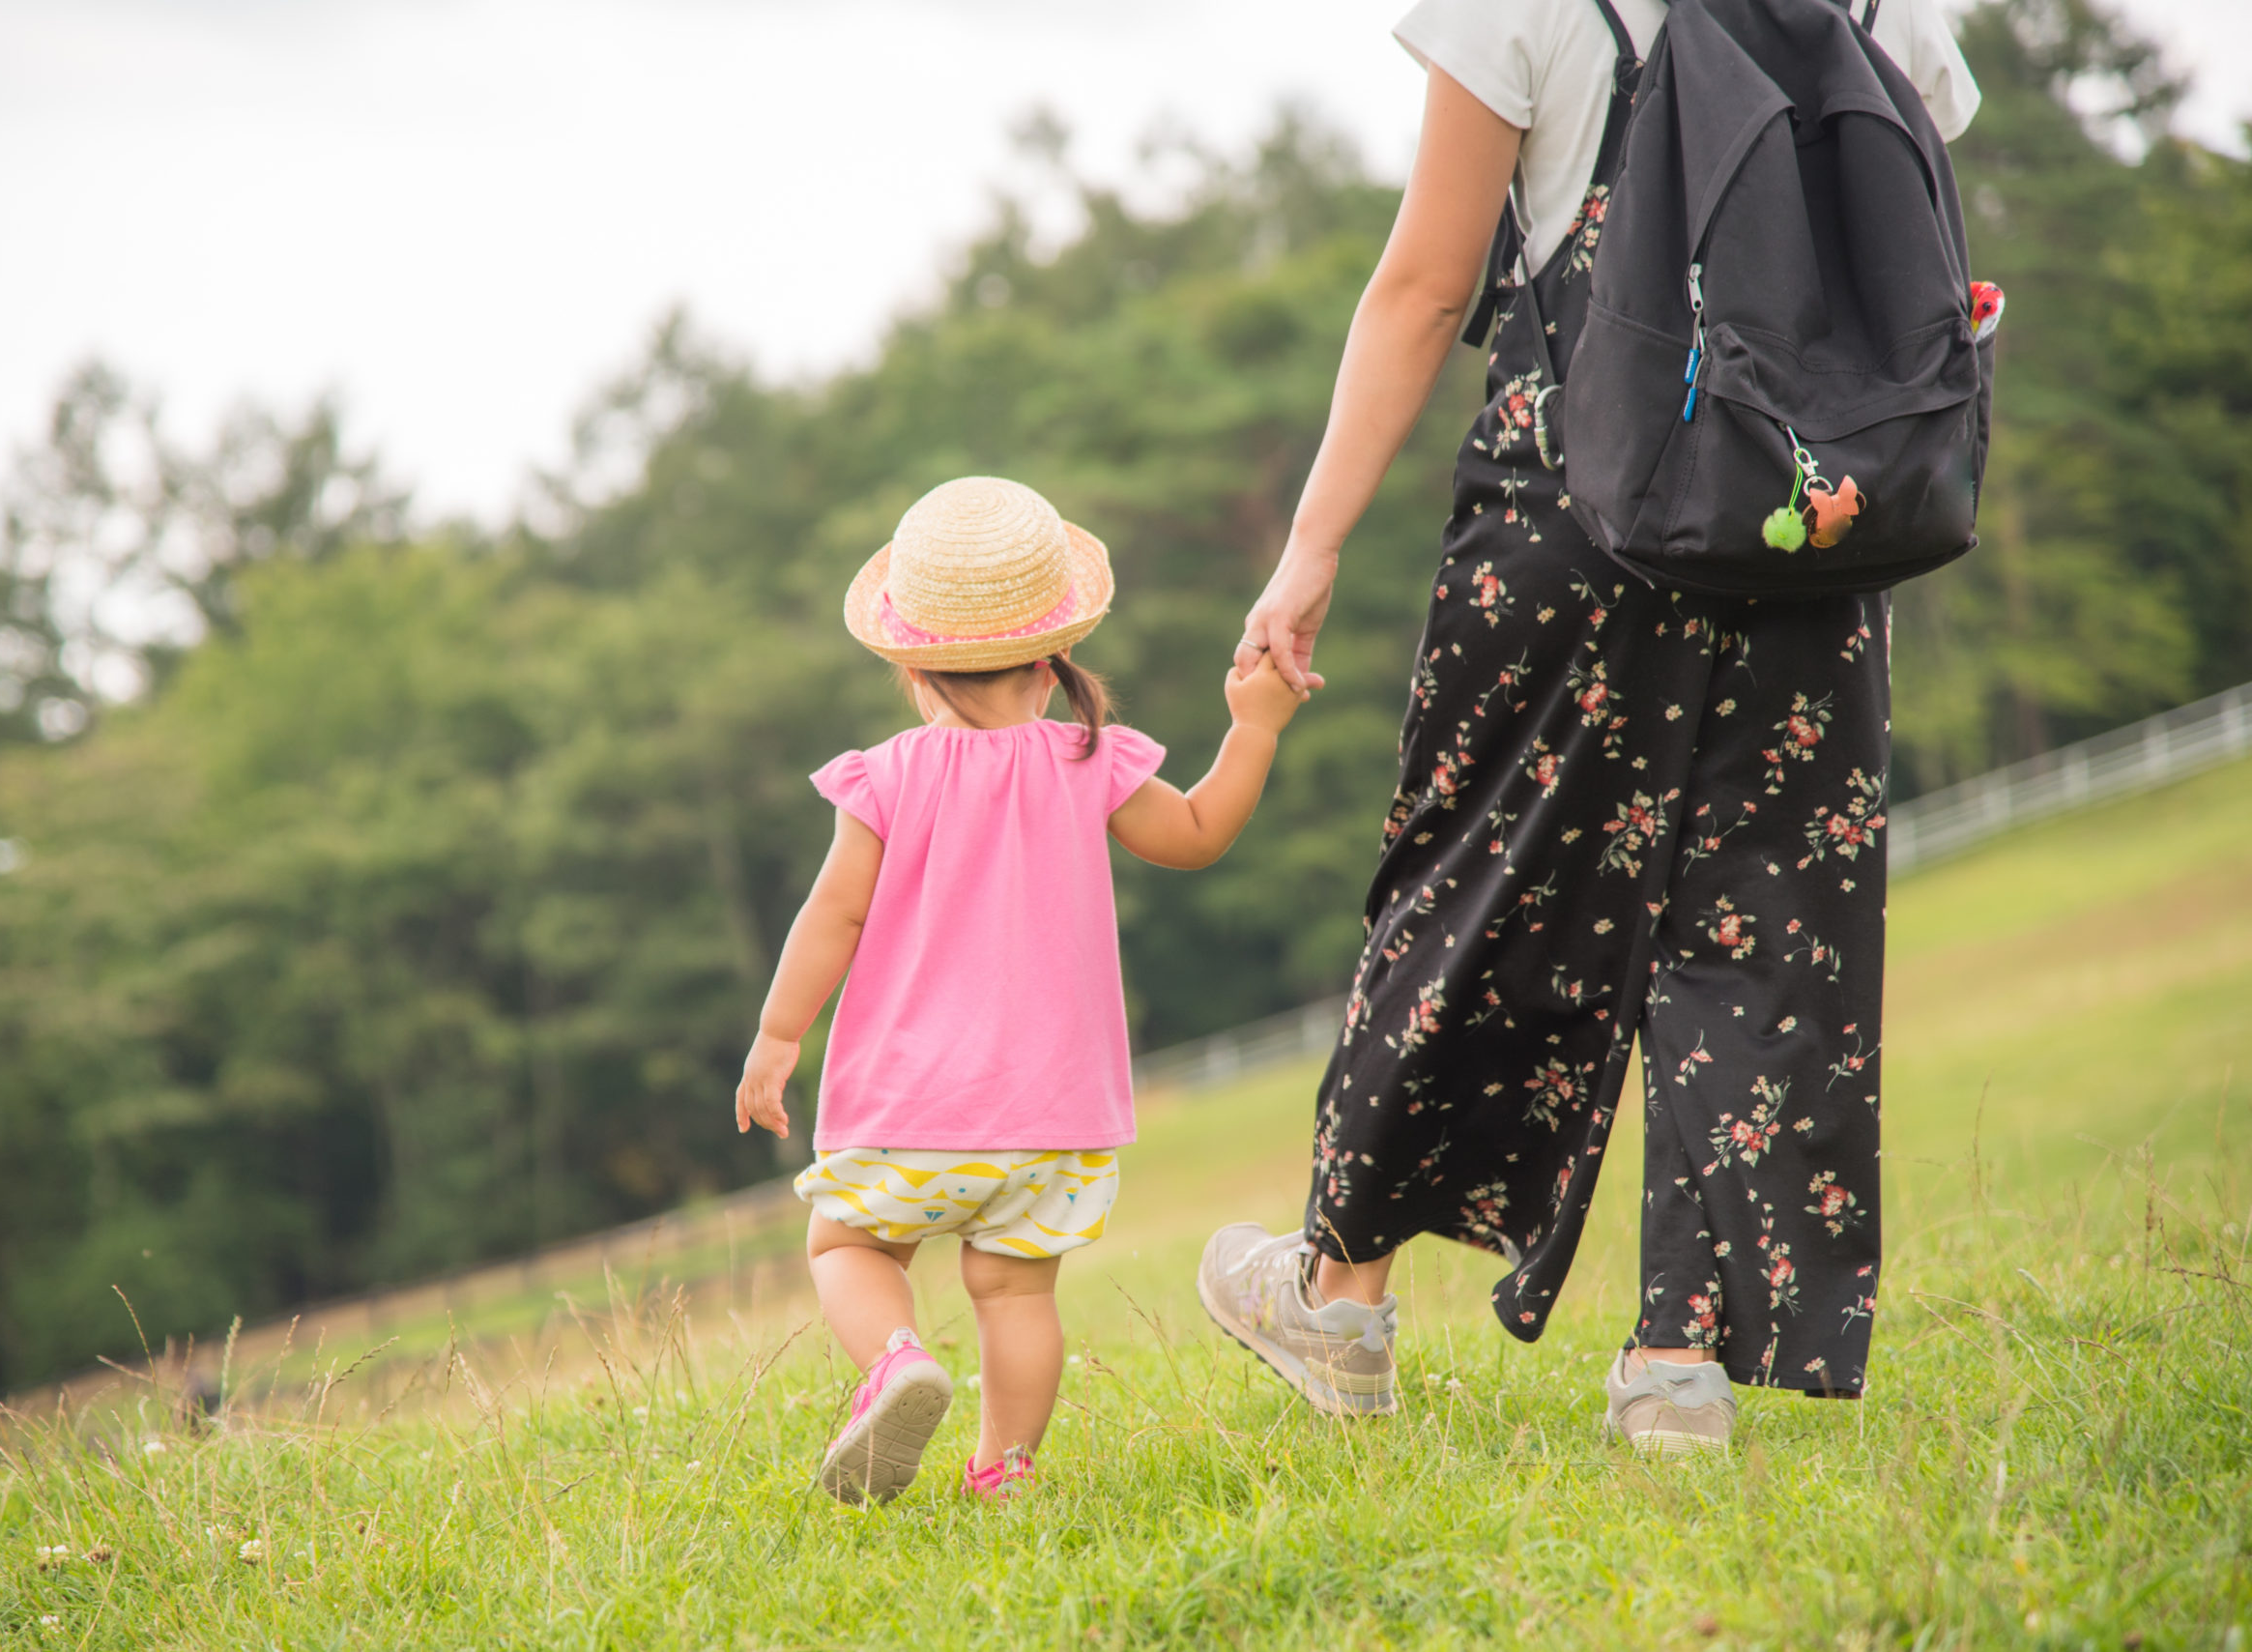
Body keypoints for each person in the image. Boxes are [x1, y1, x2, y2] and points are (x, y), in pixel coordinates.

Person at [1196, 0, 1979, 1453]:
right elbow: (1911, 253)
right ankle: (1678, 1367)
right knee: (1764, 920)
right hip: (1808, 516)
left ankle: (1343, 1297)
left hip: (1576, 512)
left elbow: (1428, 288)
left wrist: (1307, 551)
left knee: (1470, 889)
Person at [736, 475, 1303, 1503]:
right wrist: (1254, 725)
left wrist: (779, 1035)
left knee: (847, 1241)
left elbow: (834, 915)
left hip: (908, 1105)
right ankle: (1005, 1470)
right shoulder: (1090, 757)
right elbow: (1197, 834)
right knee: (1013, 1292)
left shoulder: (885, 776)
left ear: (910, 665)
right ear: (1053, 661)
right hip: (1050, 1120)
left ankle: (896, 1360)